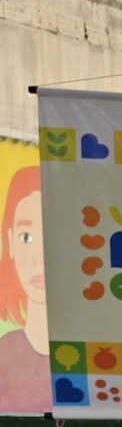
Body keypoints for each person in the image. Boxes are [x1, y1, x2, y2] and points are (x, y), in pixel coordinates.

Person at [0, 163, 50, 413]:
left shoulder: (97, 353)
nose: (39, 258)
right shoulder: (4, 352)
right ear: (10, 241)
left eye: (51, 237)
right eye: (26, 237)